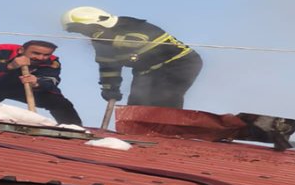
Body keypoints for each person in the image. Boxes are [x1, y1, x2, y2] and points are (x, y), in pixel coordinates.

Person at [62, 6, 202, 109]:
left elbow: (136, 42)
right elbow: (108, 66)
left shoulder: (130, 24)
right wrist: (110, 87)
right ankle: (139, 136)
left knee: (165, 97)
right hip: (145, 71)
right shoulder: (101, 42)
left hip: (180, 64)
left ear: (97, 23)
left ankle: (169, 134)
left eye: (83, 30)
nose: (84, 34)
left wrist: (105, 37)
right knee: (136, 105)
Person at [0, 40, 83, 125]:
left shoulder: (52, 61)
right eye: (35, 53)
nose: (41, 58)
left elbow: (52, 80)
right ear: (21, 50)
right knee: (4, 82)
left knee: (60, 102)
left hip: (19, 86)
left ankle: (73, 129)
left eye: (45, 55)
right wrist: (9, 66)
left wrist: (37, 82)